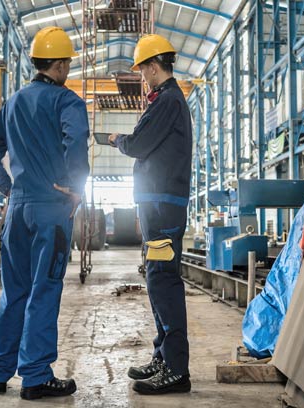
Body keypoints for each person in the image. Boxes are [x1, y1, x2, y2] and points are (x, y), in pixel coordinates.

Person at [0, 26, 89, 401]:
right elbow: (76, 141)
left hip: (18, 211)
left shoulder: (13, 102)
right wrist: (77, 185)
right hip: (51, 211)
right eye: (67, 63)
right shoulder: (67, 102)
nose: (68, 69)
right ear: (58, 64)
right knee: (44, 290)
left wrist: (5, 186)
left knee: (15, 292)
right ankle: (36, 376)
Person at [107, 34, 193, 395]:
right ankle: (163, 356)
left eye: (142, 70)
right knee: (156, 278)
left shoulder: (168, 101)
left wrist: (115, 140)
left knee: (163, 280)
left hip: (162, 204)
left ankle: (176, 369)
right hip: (156, 202)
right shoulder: (164, 101)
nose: (142, 76)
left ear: (153, 67)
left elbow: (139, 144)